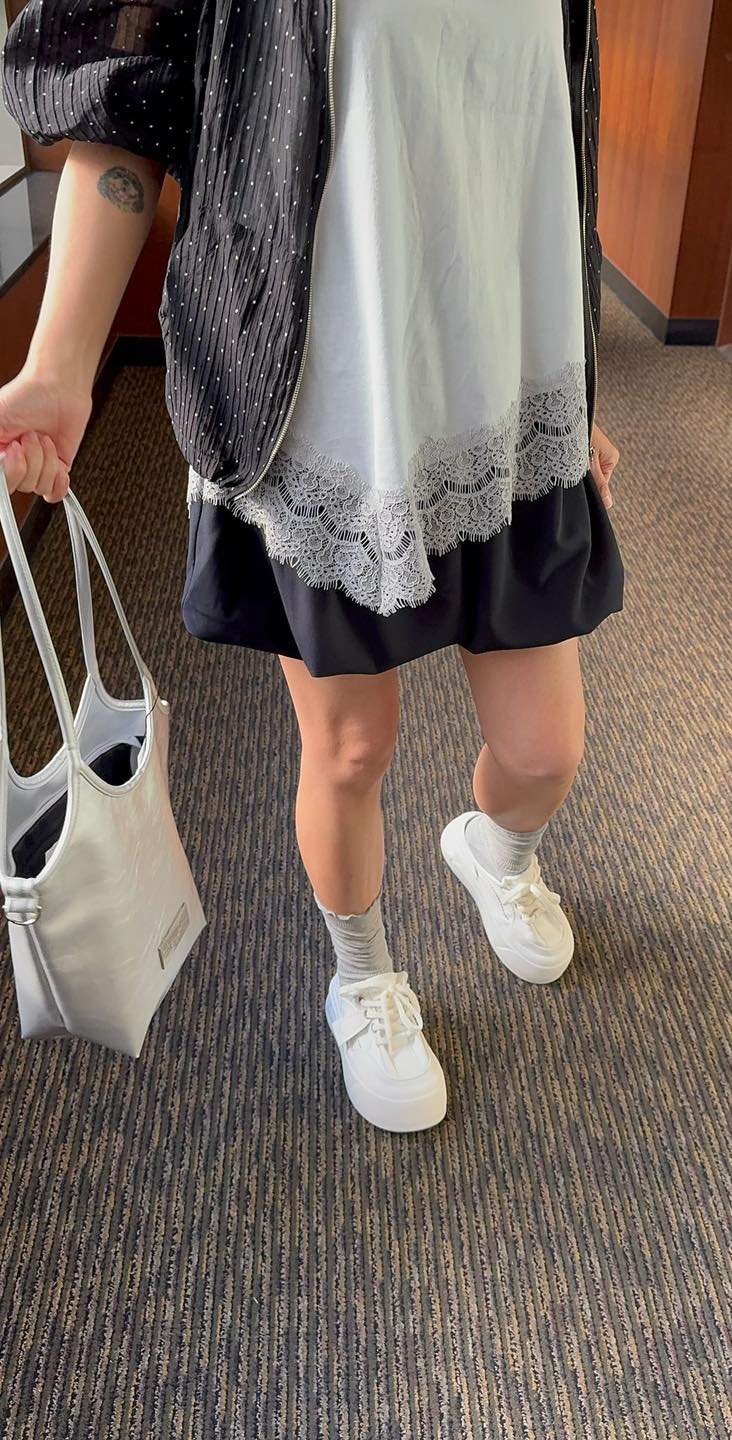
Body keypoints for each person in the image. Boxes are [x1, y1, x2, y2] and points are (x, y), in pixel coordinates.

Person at [1, 0, 624, 1132]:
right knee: (350, 746)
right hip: (329, 406)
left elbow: (547, 138)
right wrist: (58, 364)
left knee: (546, 750)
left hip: (508, 401)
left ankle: (495, 853)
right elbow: (126, 99)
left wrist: (576, 381)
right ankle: (363, 977)